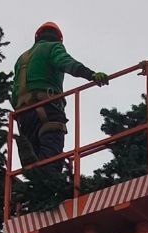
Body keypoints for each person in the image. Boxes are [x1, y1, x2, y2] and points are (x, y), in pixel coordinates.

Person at [11, 21, 109, 174]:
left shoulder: (21, 59)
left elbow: (13, 92)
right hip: (48, 108)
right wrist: (91, 74)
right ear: (59, 38)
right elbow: (66, 63)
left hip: (24, 115)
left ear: (37, 37)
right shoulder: (53, 47)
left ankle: (33, 178)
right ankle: (48, 183)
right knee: (51, 155)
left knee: (35, 156)